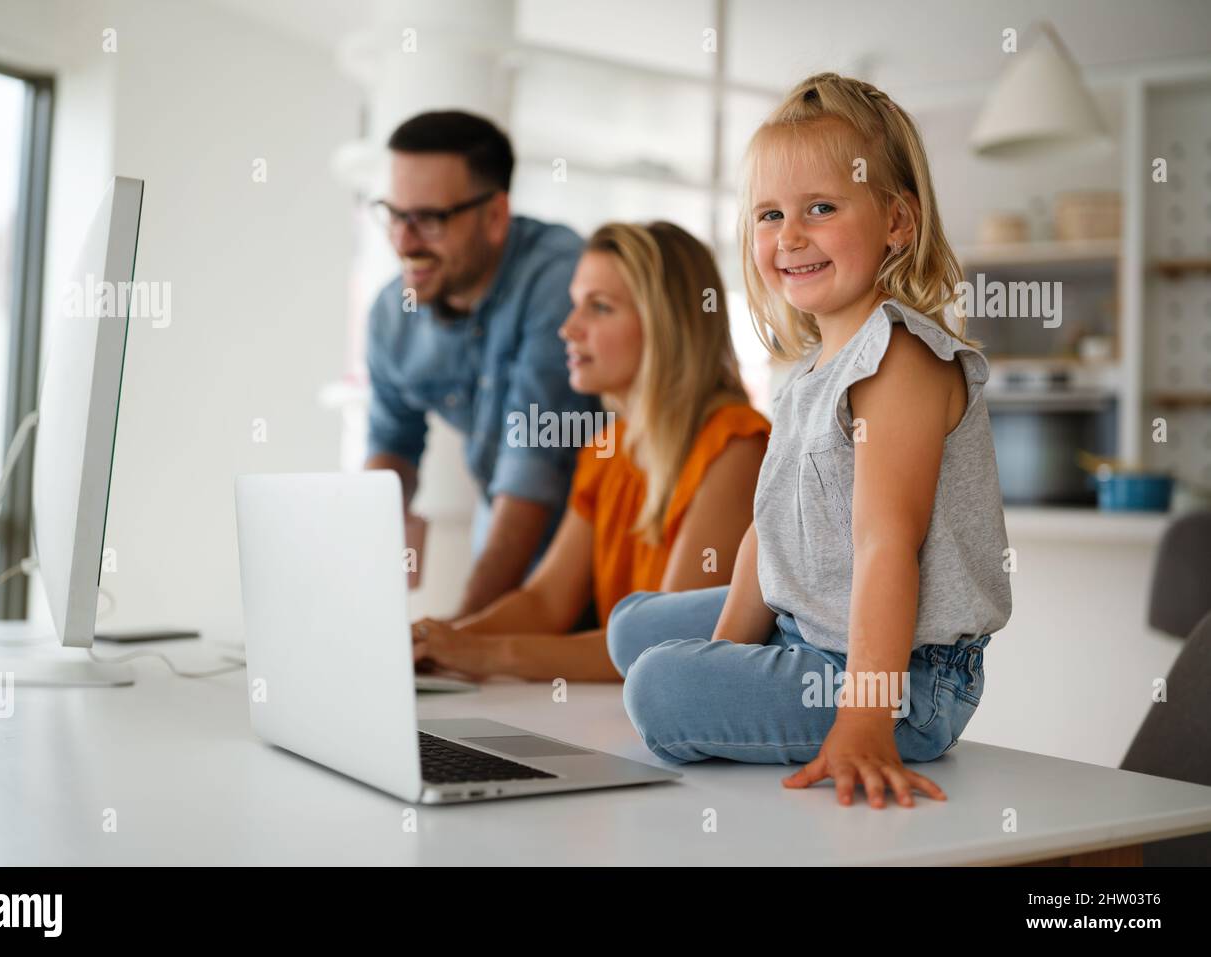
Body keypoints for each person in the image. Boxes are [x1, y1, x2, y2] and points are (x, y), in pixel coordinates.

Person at [606, 73, 1013, 808]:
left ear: (897, 221)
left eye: (820, 208)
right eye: (769, 214)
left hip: (906, 678)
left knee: (658, 686)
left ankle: (863, 706)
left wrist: (864, 718)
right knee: (634, 627)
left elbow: (886, 546)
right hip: (811, 625)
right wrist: (725, 650)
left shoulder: (901, 360)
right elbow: (769, 532)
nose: (789, 236)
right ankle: (736, 671)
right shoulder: (807, 373)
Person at [411, 221, 769, 681]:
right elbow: (544, 603)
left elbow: (668, 645)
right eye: (576, 304)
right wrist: (440, 639)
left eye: (599, 308)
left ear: (666, 326)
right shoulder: (608, 448)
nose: (568, 328)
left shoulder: (736, 446)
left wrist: (484, 655)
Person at [364, 110, 599, 617]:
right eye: (392, 213)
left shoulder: (557, 280)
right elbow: (390, 448)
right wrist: (360, 604)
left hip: (592, 574)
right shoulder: (392, 314)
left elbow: (530, 472)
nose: (403, 242)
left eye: (428, 219)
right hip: (501, 546)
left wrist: (463, 634)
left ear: (494, 216)